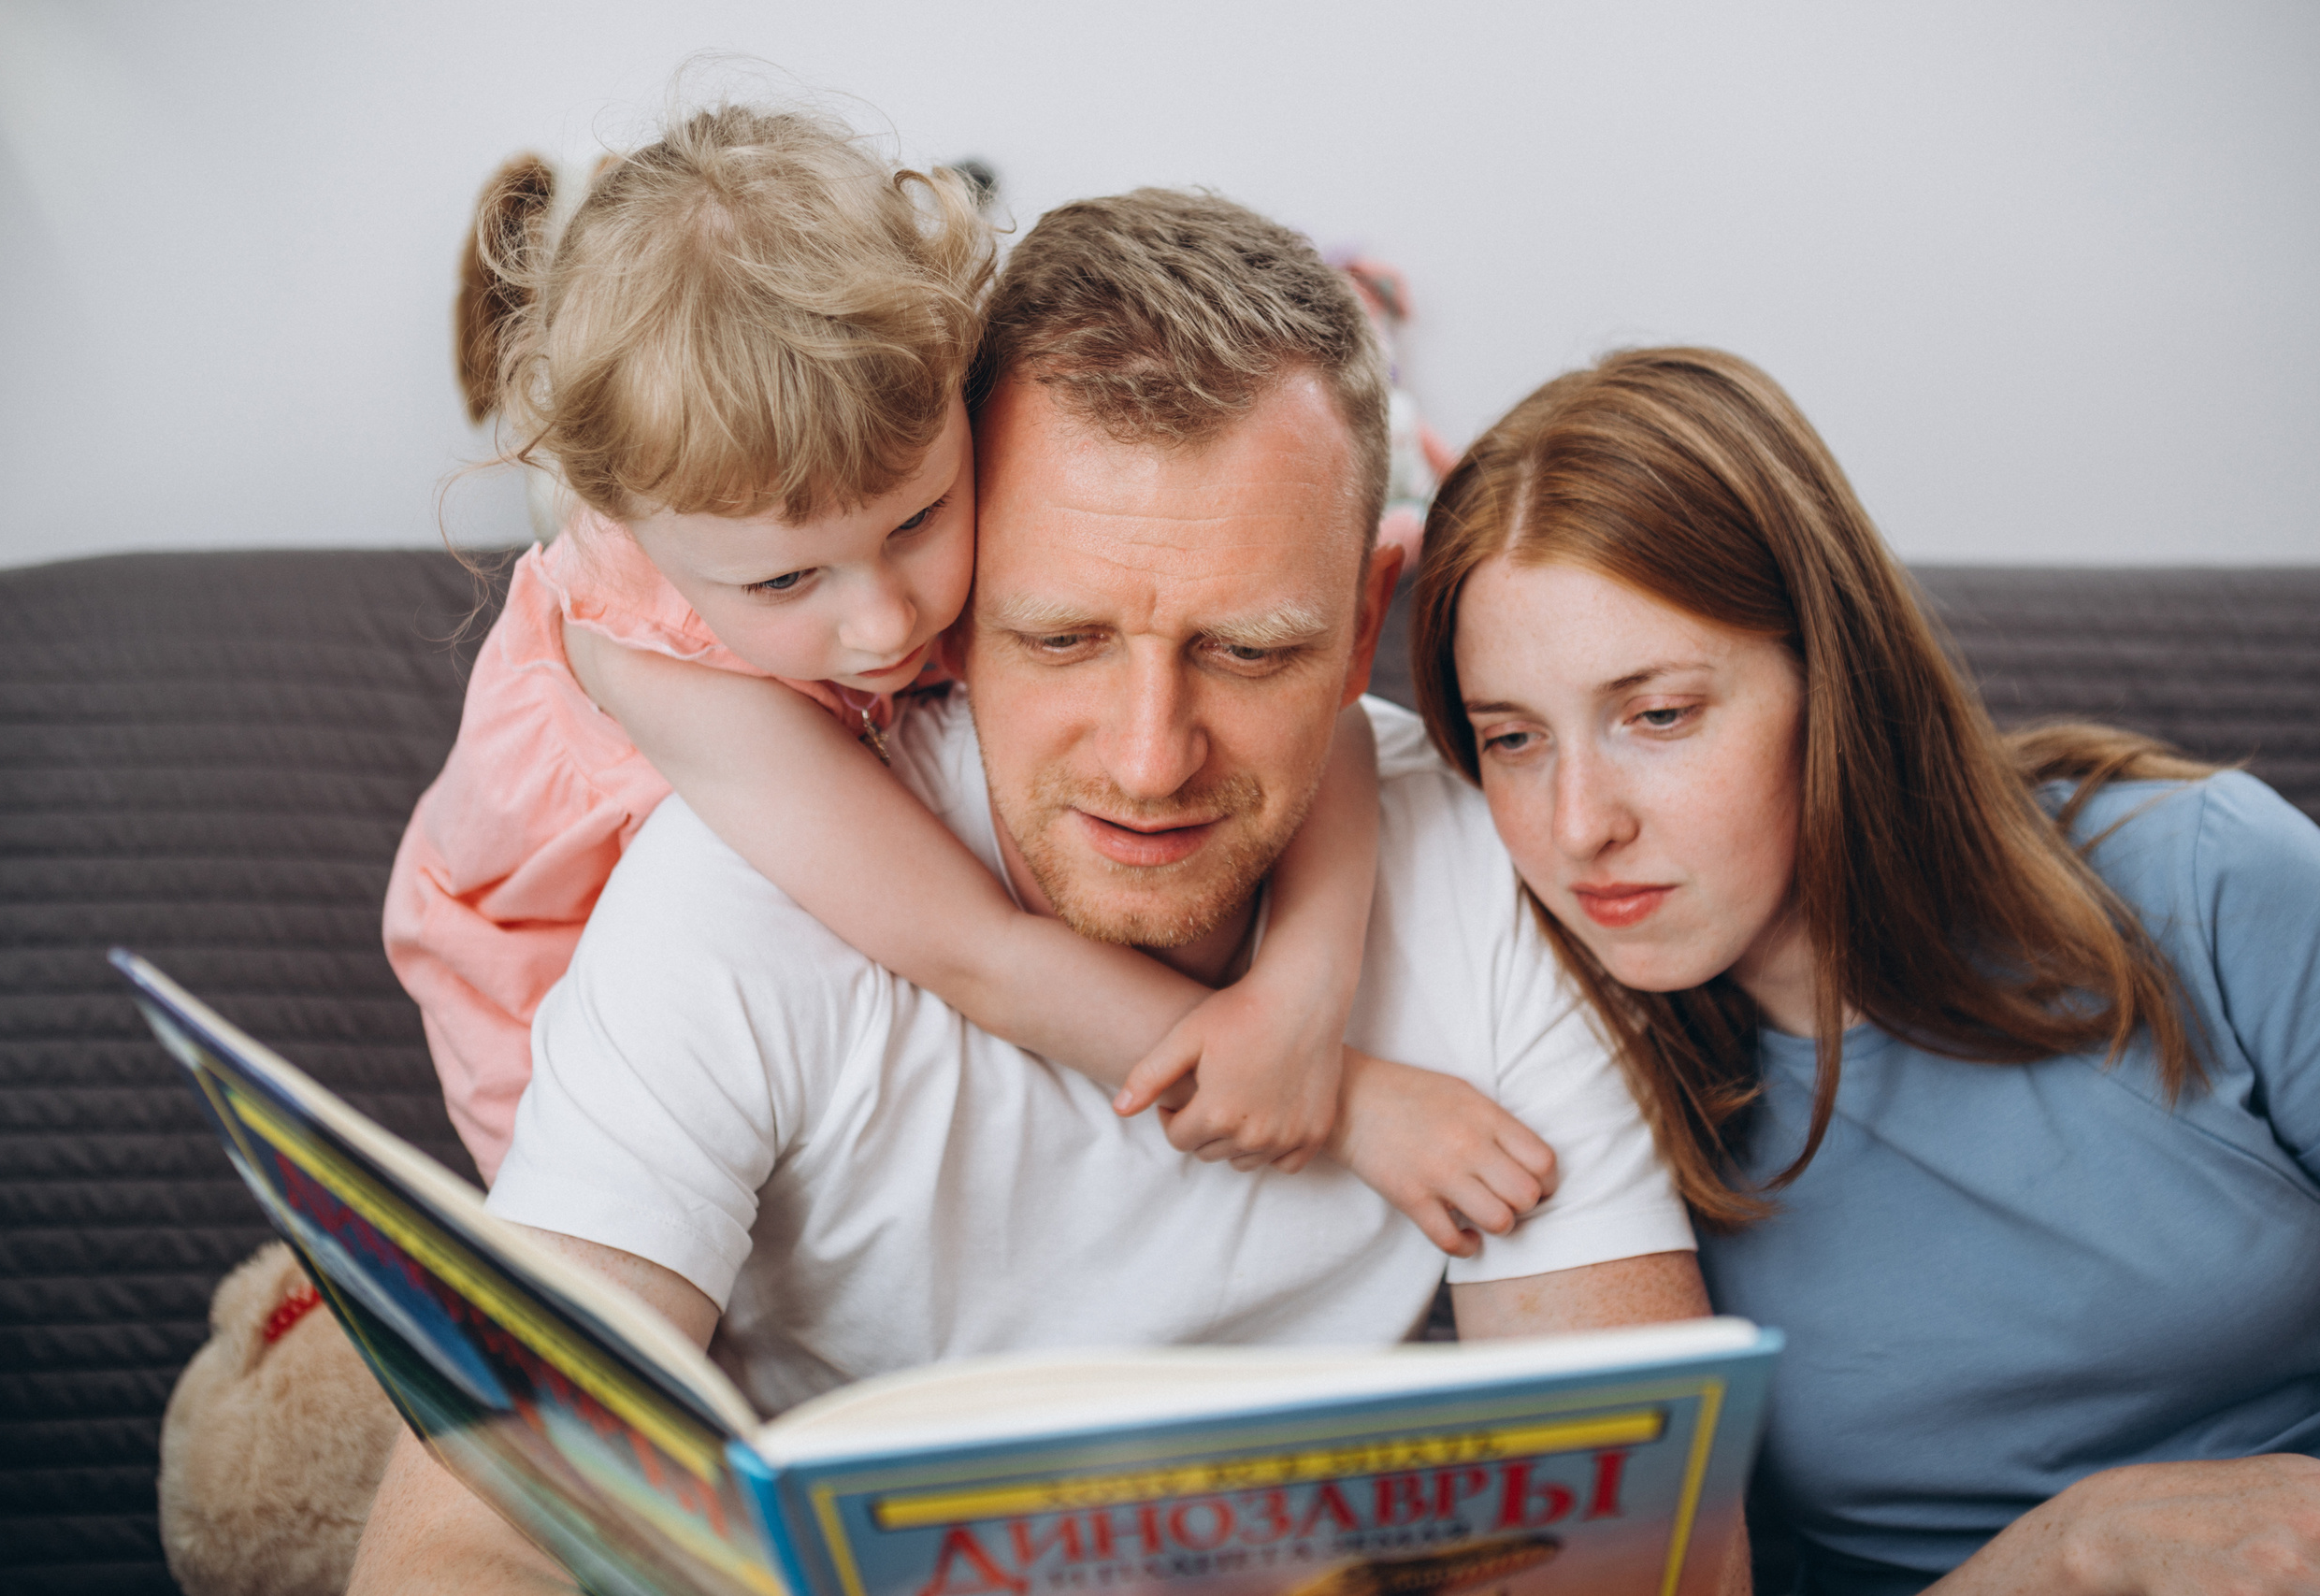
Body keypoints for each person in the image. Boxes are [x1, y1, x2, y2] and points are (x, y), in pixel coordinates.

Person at [347, 190, 1714, 1592]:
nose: (1148, 761)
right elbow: (464, 1543)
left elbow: (1653, 1549)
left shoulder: (1495, 874)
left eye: (1250, 651)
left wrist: (1313, 995)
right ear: (962, 609)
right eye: (1061, 639)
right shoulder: (737, 885)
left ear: (1367, 615)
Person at [382, 101, 1500, 1232]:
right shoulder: (664, 673)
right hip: (530, 987)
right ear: (625, 519)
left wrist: (1305, 989)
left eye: (917, 520)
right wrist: (1347, 1100)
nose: (884, 624)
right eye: (786, 582)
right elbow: (980, 954)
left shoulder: (908, 452)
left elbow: (1331, 713)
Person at [1410, 345, 2320, 1595]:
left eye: (1658, 714)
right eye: (1513, 738)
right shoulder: (1566, 1080)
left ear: (1831, 673)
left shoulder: (2204, 875)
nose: (1579, 826)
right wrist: (2073, 1551)